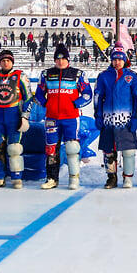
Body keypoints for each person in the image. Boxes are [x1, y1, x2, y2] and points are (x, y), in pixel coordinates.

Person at [34, 43, 92, 190]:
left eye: (63, 58)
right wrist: (47, 104)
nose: (60, 61)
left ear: (68, 59)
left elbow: (87, 94)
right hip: (52, 118)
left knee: (72, 148)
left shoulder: (78, 74)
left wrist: (76, 104)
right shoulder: (46, 74)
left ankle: (74, 179)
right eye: (58, 59)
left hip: (71, 118)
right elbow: (39, 93)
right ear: (54, 60)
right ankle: (52, 179)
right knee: (51, 149)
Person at [93, 44, 137, 189]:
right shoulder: (103, 76)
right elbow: (97, 96)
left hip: (125, 120)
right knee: (109, 151)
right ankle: (111, 177)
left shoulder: (132, 76)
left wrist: (136, 117)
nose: (117, 62)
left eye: (120, 59)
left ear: (125, 60)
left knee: (128, 150)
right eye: (115, 59)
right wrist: (98, 115)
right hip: (108, 120)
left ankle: (128, 178)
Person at [0, 49, 32, 189]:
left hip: (13, 115)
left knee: (14, 148)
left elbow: (28, 98)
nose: (5, 63)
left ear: (12, 62)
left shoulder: (20, 76)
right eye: (3, 60)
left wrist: (25, 117)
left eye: (8, 60)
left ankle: (16, 178)